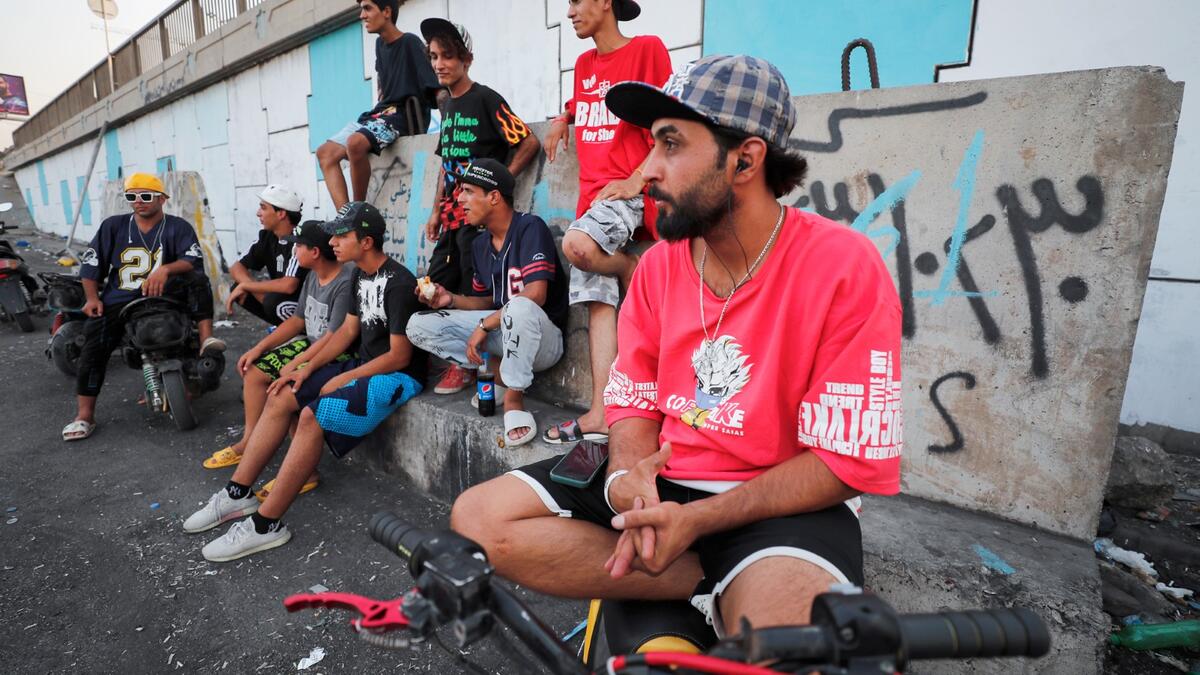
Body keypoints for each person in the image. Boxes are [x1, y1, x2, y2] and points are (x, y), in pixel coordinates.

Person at [450, 56, 903, 634]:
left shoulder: (843, 266)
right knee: (479, 521)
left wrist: (703, 520)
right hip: (667, 482)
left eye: (669, 144)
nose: (646, 173)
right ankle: (705, 577)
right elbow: (634, 401)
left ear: (746, 158)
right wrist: (629, 484)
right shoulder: (660, 266)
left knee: (786, 648)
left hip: (777, 505)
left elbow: (846, 464)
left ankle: (733, 572)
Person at [184, 202, 428, 562]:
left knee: (315, 415)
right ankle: (238, 494)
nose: (333, 242)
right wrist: (308, 366)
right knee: (283, 392)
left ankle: (266, 527)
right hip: (364, 362)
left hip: (398, 376)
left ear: (366, 242)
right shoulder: (360, 274)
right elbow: (346, 331)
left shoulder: (400, 283)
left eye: (342, 235)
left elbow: (399, 357)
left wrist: (342, 378)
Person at [541, 0, 672, 445]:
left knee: (576, 245)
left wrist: (638, 179)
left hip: (627, 196)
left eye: (577, 1)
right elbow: (587, 100)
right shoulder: (583, 63)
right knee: (599, 303)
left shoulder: (647, 49)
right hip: (591, 199)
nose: (570, 11)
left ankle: (627, 268)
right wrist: (564, 117)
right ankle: (600, 411)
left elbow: (667, 117)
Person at [418, 18, 542, 396]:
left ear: (467, 60)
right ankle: (456, 359)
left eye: (448, 57)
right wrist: (436, 211)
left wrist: (499, 179)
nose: (440, 64)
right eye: (434, 57)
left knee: (474, 287)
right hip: (452, 216)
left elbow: (528, 141)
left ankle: (472, 368)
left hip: (478, 218)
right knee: (435, 284)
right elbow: (446, 161)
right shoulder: (447, 105)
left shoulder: (486, 98)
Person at [408, 159, 567, 446]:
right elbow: (486, 301)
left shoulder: (530, 227)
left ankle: (514, 397)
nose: (460, 199)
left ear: (494, 197)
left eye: (468, 191)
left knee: (519, 306)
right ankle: (497, 375)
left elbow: (536, 295)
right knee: (418, 325)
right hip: (504, 332)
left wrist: (485, 324)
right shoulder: (479, 245)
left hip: (544, 341)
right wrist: (451, 299)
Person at [62, 173, 225, 442]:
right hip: (121, 300)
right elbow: (91, 265)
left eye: (146, 196)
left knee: (198, 278)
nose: (139, 202)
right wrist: (92, 298)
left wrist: (166, 270)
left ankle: (206, 339)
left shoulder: (177, 227)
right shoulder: (113, 226)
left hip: (167, 295)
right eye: (132, 197)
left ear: (162, 198)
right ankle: (84, 415)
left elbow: (192, 259)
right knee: (93, 347)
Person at [202, 220, 356, 472]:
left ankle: (303, 473)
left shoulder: (344, 282)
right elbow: (297, 321)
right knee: (253, 370)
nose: (294, 252)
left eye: (298, 247)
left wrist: (295, 365)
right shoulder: (314, 276)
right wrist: (259, 348)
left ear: (315, 252)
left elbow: (333, 337)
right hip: (311, 344)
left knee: (285, 391)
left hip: (335, 353)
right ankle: (249, 442)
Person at [316, 0, 439, 210]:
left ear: (387, 11)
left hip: (400, 119)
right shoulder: (379, 45)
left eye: (367, 8)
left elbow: (433, 88)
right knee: (324, 153)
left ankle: (358, 210)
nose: (362, 15)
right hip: (380, 115)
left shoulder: (410, 42)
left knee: (355, 143)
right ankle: (345, 216)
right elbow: (384, 89)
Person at [225, 185, 307, 325]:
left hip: (305, 305)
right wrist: (247, 285)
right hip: (282, 300)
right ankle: (283, 328)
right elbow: (236, 268)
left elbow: (288, 285)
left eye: (263, 208)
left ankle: (300, 332)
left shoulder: (300, 240)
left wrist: (247, 286)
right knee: (238, 288)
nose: (258, 213)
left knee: (272, 302)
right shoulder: (267, 237)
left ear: (281, 213)